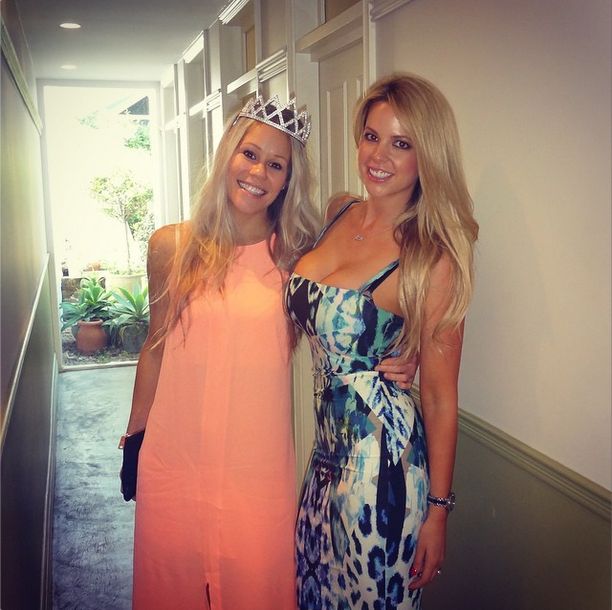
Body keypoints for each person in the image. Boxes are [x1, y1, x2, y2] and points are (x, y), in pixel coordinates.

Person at [122, 94, 415, 610]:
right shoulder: (171, 245)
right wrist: (134, 436)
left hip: (256, 472)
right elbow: (155, 347)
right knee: (170, 589)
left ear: (287, 181)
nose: (258, 172)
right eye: (250, 154)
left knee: (258, 589)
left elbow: (366, 270)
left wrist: (405, 347)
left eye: (276, 165)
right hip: (175, 460)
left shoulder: (299, 258)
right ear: (228, 155)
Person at [285, 73, 478, 609]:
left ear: (427, 155)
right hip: (324, 458)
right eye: (372, 136)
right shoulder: (338, 211)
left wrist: (438, 513)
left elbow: (439, 397)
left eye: (401, 144)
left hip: (382, 471)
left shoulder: (431, 257)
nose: (379, 156)